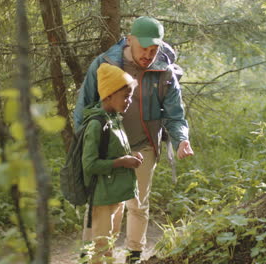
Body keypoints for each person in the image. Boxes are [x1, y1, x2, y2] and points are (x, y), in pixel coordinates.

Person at [74, 16, 194, 263]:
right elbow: (83, 106)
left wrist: (181, 139)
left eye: (154, 49)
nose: (148, 55)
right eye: (144, 48)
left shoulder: (164, 72)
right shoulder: (105, 63)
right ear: (129, 40)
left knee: (138, 203)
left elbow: (175, 115)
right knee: (104, 202)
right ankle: (96, 253)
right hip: (108, 148)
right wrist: (82, 143)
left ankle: (134, 254)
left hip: (143, 146)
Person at [81, 63, 142, 264]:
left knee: (110, 243)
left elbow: (113, 152)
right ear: (108, 96)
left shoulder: (115, 118)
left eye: (130, 96)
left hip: (116, 195)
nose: (129, 101)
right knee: (101, 247)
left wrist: (131, 156)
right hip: (102, 197)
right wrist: (121, 162)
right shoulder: (96, 124)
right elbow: (89, 164)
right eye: (125, 96)